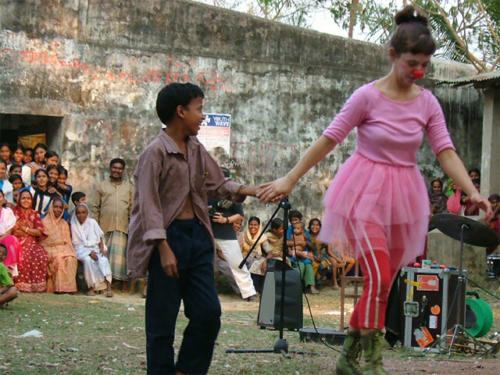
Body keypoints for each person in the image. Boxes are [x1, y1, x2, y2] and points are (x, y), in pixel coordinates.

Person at [257, 6, 492, 374]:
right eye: (412, 62)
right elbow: (328, 139)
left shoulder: (427, 103)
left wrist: (471, 192)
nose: (418, 71)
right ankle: (372, 362)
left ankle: (347, 360)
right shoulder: (366, 97)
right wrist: (290, 178)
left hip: (405, 198)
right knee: (379, 276)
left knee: (385, 283)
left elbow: (446, 151)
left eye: (425, 65)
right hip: (363, 193)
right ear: (393, 55)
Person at [127, 82, 257, 375]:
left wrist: (253, 190)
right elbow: (149, 205)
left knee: (209, 313)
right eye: (199, 109)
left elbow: (218, 184)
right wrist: (163, 248)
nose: (203, 116)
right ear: (180, 111)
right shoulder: (155, 152)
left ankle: (185, 371)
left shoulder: (196, 148)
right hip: (168, 239)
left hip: (198, 236)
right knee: (162, 322)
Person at [209, 167, 257, 301]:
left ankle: (249, 292)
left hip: (226, 233)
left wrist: (225, 220)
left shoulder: (233, 194)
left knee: (237, 263)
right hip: (207, 232)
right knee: (205, 265)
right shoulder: (207, 192)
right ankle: (204, 292)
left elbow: (240, 215)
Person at [92, 158, 134, 291]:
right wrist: (95, 227)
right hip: (105, 226)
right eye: (114, 168)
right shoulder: (101, 186)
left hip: (122, 226)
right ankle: (105, 282)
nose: (117, 170)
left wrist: (132, 224)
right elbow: (95, 207)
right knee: (105, 255)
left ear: (123, 171)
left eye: (120, 168)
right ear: (110, 169)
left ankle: (122, 282)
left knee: (121, 257)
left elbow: (132, 208)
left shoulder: (129, 187)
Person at [71, 203, 113, 297]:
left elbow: (101, 236)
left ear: (87, 213)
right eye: (78, 213)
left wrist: (102, 249)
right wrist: (89, 253)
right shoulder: (74, 225)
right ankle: (91, 288)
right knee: (88, 260)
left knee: (103, 260)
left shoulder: (92, 222)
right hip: (81, 250)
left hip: (95, 248)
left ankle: (109, 287)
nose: (81, 215)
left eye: (83, 212)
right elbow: (76, 244)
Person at [12, 189, 48, 293]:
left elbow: (39, 232)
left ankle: (36, 287)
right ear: (19, 199)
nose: (26, 200)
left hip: (33, 243)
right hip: (17, 242)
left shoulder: (35, 213)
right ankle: (21, 285)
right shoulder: (14, 212)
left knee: (41, 255)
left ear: (32, 200)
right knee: (24, 255)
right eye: (23, 198)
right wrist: (30, 231)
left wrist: (25, 229)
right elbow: (15, 231)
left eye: (28, 198)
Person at [41, 198, 78, 293]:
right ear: (51, 207)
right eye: (55, 207)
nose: (58, 210)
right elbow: (42, 242)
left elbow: (68, 242)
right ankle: (59, 288)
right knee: (59, 259)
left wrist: (70, 252)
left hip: (63, 249)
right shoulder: (44, 222)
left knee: (71, 258)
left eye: (60, 208)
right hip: (48, 249)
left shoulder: (64, 224)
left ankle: (69, 289)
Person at [288, 222, 318, 294]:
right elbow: (288, 245)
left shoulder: (304, 235)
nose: (295, 230)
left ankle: (311, 286)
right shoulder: (292, 235)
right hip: (295, 254)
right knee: (300, 266)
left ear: (302, 230)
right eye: (294, 228)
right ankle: (296, 287)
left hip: (303, 254)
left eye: (297, 229)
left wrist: (305, 242)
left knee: (309, 266)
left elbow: (310, 244)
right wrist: (292, 248)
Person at [241, 216, 268, 294]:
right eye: (251, 224)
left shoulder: (262, 237)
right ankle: (248, 291)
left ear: (259, 226)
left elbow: (270, 251)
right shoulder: (243, 235)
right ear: (248, 225)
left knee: (256, 264)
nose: (253, 227)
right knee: (249, 264)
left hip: (258, 258)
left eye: (255, 225)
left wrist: (265, 261)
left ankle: (254, 291)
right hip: (244, 258)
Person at [0, 190, 23, 277]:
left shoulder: (8, 212)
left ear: (3, 199)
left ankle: (8, 270)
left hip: (4, 238)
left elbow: (9, 231)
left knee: (11, 239)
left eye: (0, 197)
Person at [0, 244, 18, 309]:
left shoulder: (2, 267)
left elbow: (9, 284)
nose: (0, 254)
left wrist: (1, 291)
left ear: (5, 257)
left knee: (14, 291)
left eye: (3, 253)